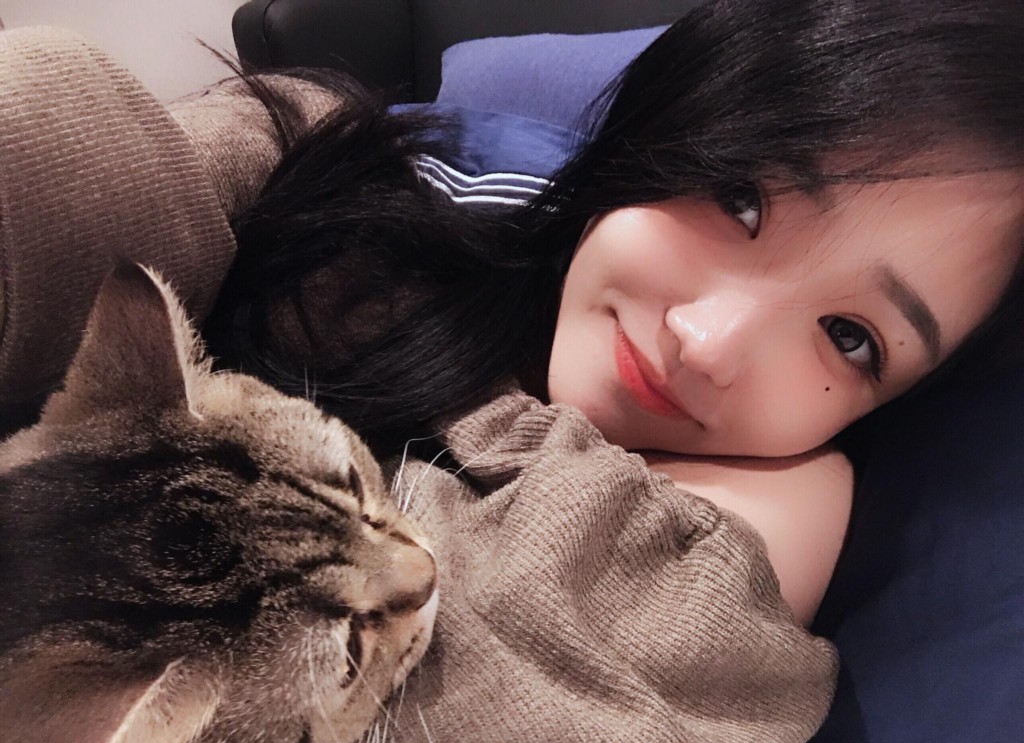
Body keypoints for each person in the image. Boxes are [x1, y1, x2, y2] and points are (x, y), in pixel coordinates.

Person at [204, 0, 1023, 630]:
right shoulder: (390, 178)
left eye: (851, 338)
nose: (707, 343)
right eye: (739, 199)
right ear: (674, 118)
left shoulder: (797, 506)